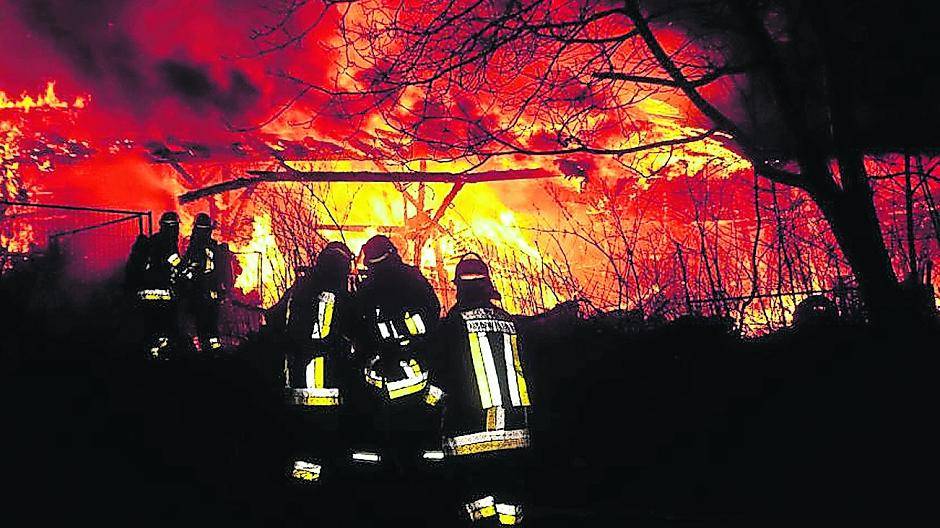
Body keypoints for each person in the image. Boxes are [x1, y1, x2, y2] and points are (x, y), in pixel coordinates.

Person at [431, 254, 533, 526]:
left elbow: (441, 376)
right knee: (509, 497)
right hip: (515, 426)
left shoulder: (453, 323)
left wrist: (427, 408)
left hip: (470, 426)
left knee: (476, 495)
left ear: (459, 287)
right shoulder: (509, 321)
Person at [350, 235, 443, 476]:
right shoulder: (413, 278)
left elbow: (358, 330)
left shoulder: (368, 289)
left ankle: (388, 483)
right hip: (415, 375)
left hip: (382, 379)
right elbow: (433, 315)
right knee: (416, 438)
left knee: (383, 441)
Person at [278, 242, 357, 486]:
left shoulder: (298, 290)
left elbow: (276, 322)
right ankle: (324, 495)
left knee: (302, 447)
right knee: (325, 444)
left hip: (295, 385)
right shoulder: (339, 296)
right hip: (325, 389)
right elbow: (355, 333)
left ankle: (299, 492)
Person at [125, 211, 182, 359]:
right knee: (165, 327)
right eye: (176, 227)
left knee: (150, 326)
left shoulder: (152, 241)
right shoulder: (167, 243)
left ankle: (149, 355)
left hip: (146, 294)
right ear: (173, 227)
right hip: (162, 294)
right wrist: (186, 273)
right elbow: (173, 261)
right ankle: (160, 357)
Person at [178, 212, 232, 354]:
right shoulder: (216, 248)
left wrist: (183, 276)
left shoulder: (196, 249)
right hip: (213, 296)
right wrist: (225, 291)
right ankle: (215, 352)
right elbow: (223, 273)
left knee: (200, 326)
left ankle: (204, 355)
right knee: (212, 327)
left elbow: (192, 270)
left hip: (199, 295)